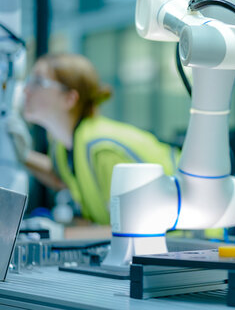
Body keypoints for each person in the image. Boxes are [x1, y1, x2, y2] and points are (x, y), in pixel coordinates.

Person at [8, 53, 180, 225]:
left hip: (190, 239)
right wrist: (21, 154)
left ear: (69, 98)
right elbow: (60, 177)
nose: (25, 89)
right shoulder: (65, 145)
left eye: (38, 82)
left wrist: (59, 233)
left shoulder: (102, 149)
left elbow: (130, 231)